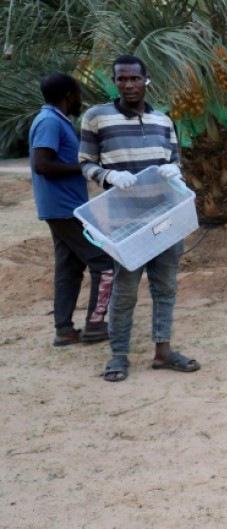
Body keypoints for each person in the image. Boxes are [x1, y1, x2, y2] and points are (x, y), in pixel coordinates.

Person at [78, 54, 200, 382]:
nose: (129, 84)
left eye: (134, 78)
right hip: (124, 224)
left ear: (146, 80)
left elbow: (175, 160)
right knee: (126, 290)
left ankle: (163, 351)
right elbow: (86, 163)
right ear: (114, 81)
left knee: (166, 288)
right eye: (122, 79)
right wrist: (109, 177)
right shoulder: (96, 117)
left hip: (165, 220)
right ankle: (118, 355)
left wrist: (175, 170)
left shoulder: (163, 120)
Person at [29, 72, 114, 347]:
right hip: (64, 209)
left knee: (69, 268)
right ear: (69, 96)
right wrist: (85, 167)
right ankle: (95, 324)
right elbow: (42, 164)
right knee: (104, 263)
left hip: (63, 208)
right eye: (78, 94)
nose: (80, 100)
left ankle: (64, 330)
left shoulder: (55, 120)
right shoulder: (49, 122)